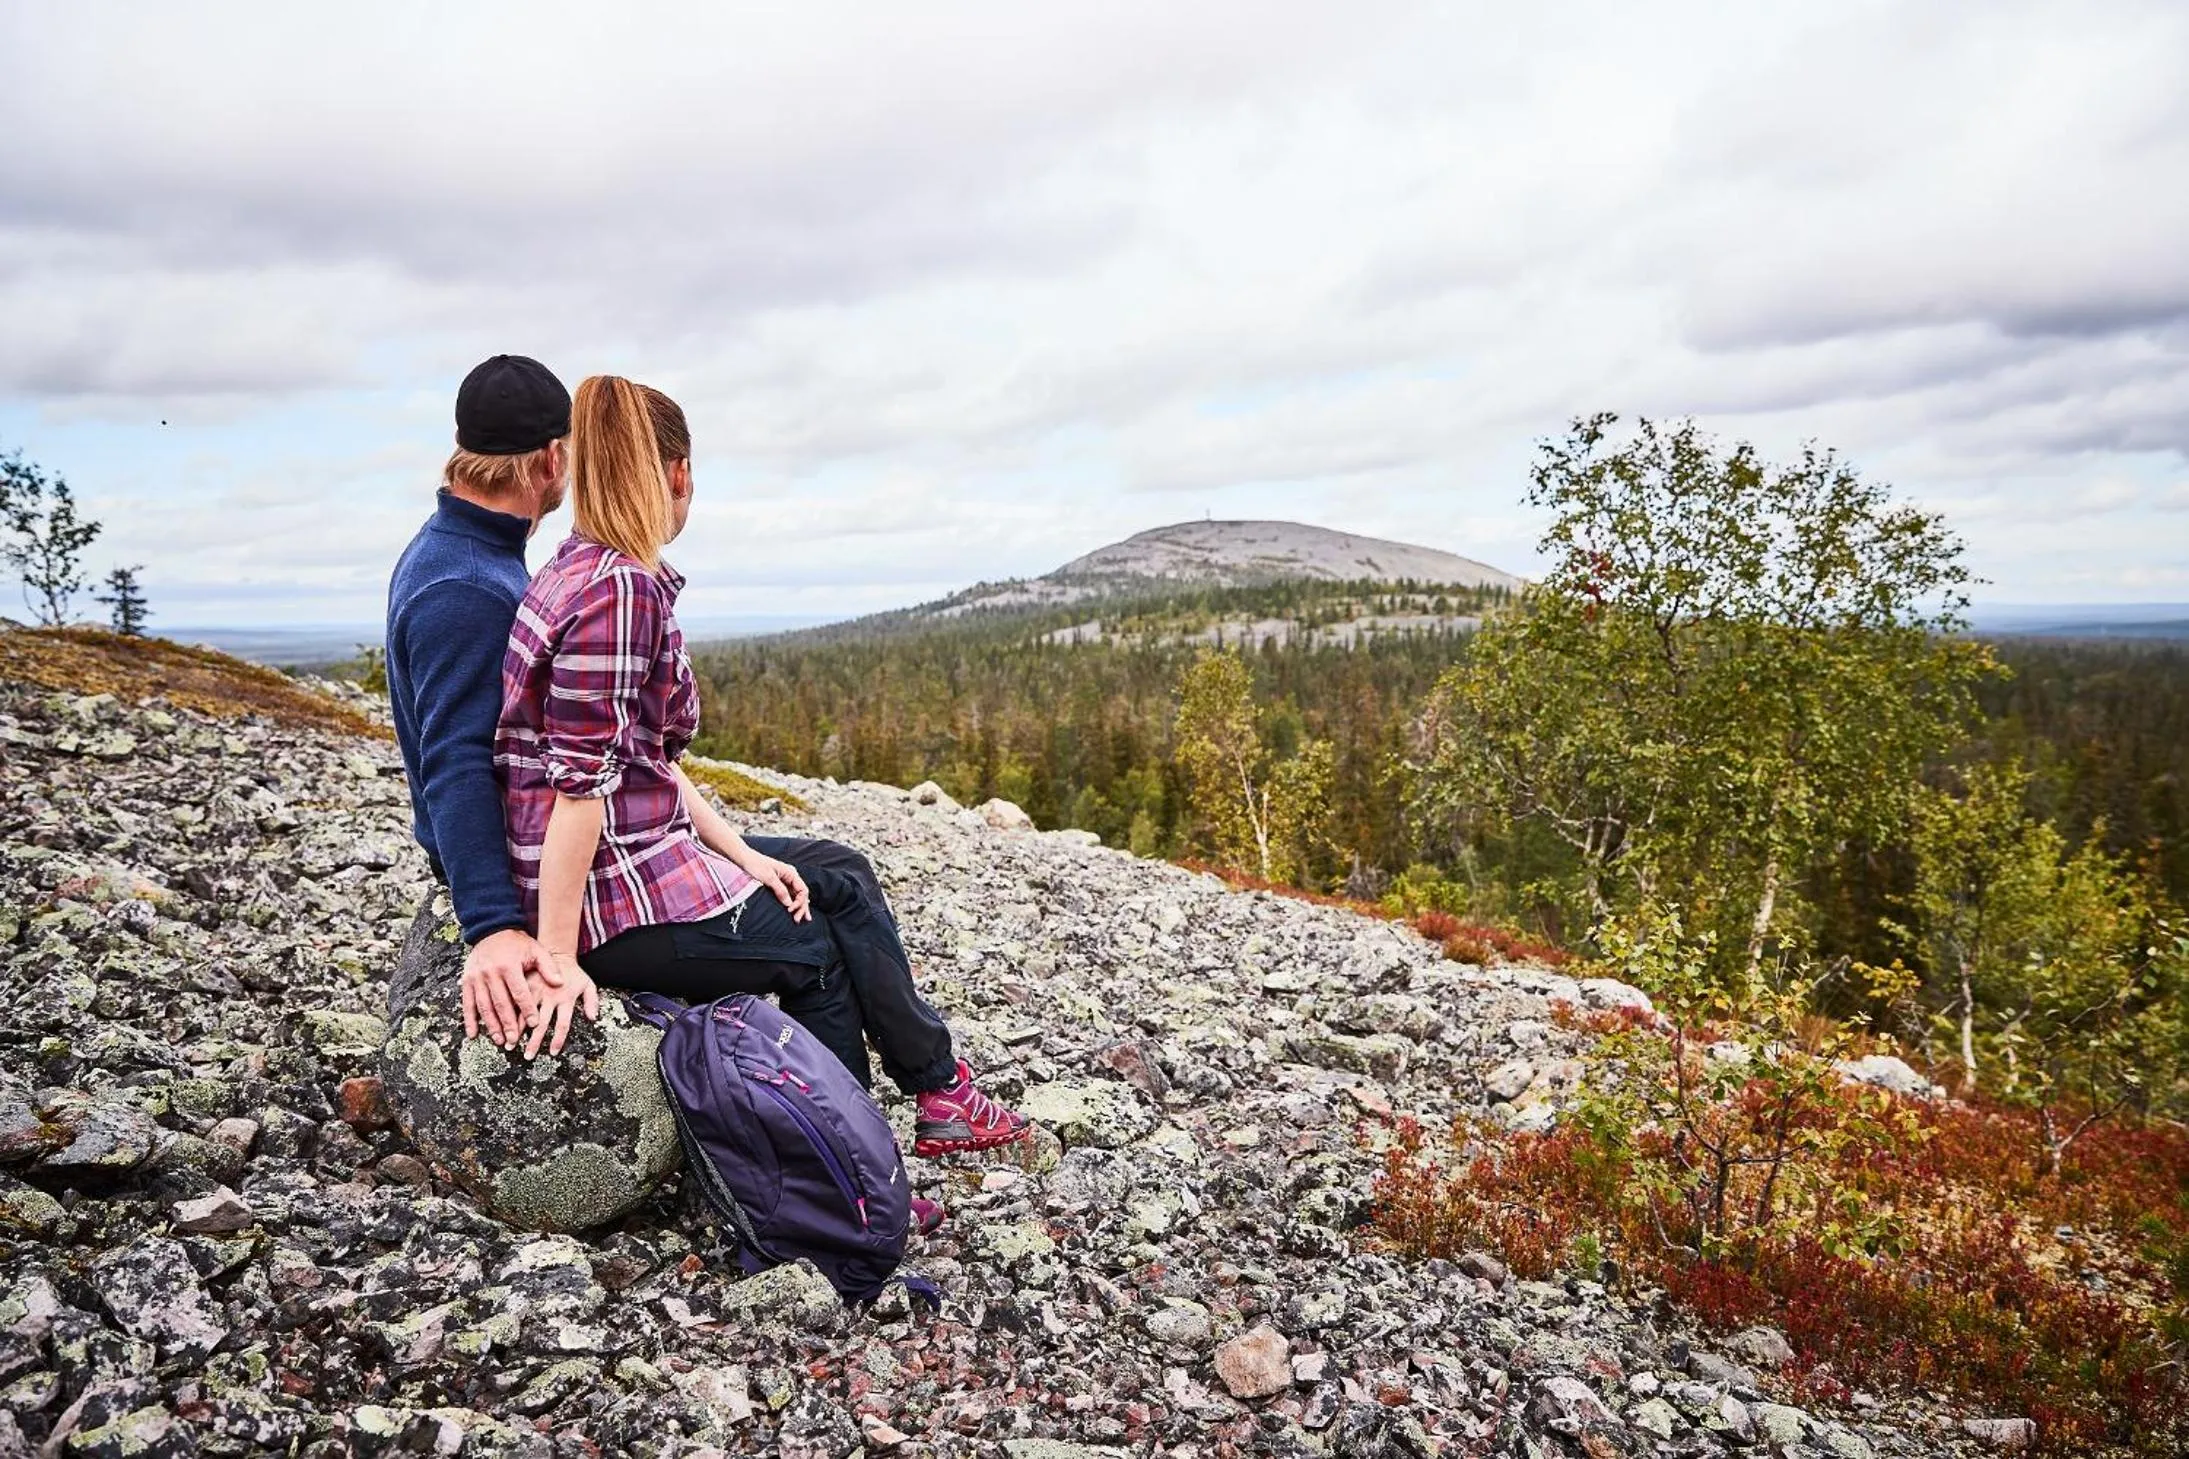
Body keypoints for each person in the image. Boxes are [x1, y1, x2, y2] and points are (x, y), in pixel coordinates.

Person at [494, 374, 1030, 1165]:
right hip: (608, 893)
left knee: (834, 871)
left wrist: (742, 854)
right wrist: (559, 956)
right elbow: (579, 788)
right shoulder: (620, 593)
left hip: (632, 852)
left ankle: (938, 1090)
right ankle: (858, 1165)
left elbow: (639, 758)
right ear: (676, 476)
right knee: (816, 947)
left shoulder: (576, 567)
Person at [386, 354, 573, 1050]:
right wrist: (493, 925)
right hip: (513, 867)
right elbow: (455, 760)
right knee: (823, 897)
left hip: (517, 846)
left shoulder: (462, 549)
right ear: (551, 458)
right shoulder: (464, 585)